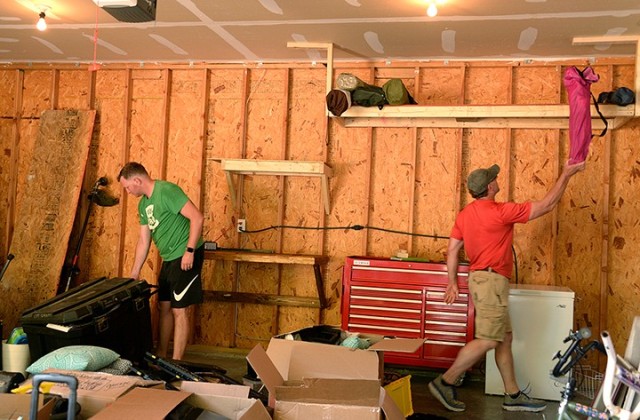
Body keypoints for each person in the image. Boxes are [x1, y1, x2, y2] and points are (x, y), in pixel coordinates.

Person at [428, 160, 585, 413]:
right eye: (494, 178)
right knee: (489, 339)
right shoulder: (501, 211)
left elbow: (452, 251)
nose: (496, 179)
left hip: (481, 281)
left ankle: (512, 395)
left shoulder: (465, 215)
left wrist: (452, 283)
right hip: (491, 283)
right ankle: (445, 381)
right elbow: (547, 205)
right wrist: (566, 173)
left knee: (504, 338)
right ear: (490, 187)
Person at [118, 162, 204, 361]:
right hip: (169, 259)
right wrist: (134, 272)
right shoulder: (143, 205)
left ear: (137, 180)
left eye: (128, 187)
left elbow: (197, 218)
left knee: (179, 310)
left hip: (185, 255)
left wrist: (189, 251)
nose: (128, 191)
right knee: (163, 306)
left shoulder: (167, 191)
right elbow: (143, 240)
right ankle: (162, 356)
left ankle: (176, 363)